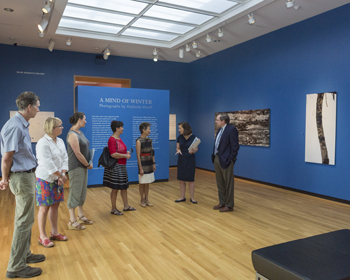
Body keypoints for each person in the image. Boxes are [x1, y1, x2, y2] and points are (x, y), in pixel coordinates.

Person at [0, 91, 45, 278]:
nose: (38, 109)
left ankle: (24, 254)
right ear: (29, 107)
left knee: (27, 220)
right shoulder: (15, 127)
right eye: (37, 106)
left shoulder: (21, 124)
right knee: (22, 222)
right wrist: (4, 179)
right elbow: (7, 158)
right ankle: (16, 266)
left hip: (26, 176)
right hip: (21, 177)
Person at [35, 117, 68, 248]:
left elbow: (65, 158)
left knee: (55, 206)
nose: (62, 127)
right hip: (46, 179)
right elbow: (48, 164)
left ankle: (54, 232)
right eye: (60, 126)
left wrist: (63, 174)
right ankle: (42, 236)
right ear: (52, 128)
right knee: (44, 208)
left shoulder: (59, 141)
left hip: (59, 178)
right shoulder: (43, 143)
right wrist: (60, 175)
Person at [66, 112, 93, 230]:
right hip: (76, 167)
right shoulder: (72, 134)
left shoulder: (80, 133)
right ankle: (72, 221)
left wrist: (87, 163)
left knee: (82, 192)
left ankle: (81, 215)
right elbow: (77, 153)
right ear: (79, 120)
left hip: (83, 167)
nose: (86, 121)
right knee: (75, 192)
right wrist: (87, 164)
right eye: (85, 119)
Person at [103, 120, 135, 215]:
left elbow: (119, 151)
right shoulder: (112, 139)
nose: (123, 128)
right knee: (115, 188)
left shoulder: (119, 138)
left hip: (122, 166)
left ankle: (126, 205)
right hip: (116, 167)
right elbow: (113, 154)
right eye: (121, 127)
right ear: (117, 128)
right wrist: (125, 156)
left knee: (124, 187)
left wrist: (126, 153)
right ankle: (113, 209)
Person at [211, 114, 239, 212]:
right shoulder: (219, 130)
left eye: (217, 120)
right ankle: (222, 202)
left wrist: (231, 159)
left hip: (226, 160)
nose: (216, 122)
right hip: (217, 158)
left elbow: (235, 147)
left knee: (228, 183)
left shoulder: (231, 130)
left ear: (223, 121)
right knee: (220, 182)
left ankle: (229, 205)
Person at [175, 121, 198, 204]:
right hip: (181, 158)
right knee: (181, 179)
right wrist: (178, 150)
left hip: (190, 159)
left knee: (191, 179)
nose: (179, 130)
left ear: (185, 128)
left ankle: (192, 197)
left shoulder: (194, 137)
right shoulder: (179, 137)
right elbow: (177, 148)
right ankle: (182, 196)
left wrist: (193, 151)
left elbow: (196, 149)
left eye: (180, 128)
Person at [136, 122, 156, 207]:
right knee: (142, 182)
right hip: (143, 163)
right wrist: (140, 168)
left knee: (147, 182)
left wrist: (154, 163)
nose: (150, 130)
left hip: (149, 163)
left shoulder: (150, 140)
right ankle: (142, 200)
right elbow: (138, 155)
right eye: (148, 129)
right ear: (143, 130)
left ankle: (147, 199)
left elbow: (152, 152)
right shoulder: (139, 141)